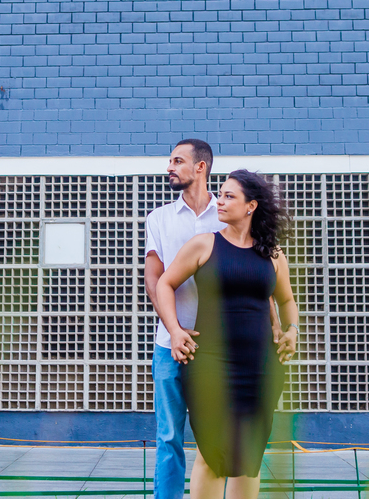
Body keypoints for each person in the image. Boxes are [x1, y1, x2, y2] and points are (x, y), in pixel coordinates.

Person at [155, 169, 298, 499]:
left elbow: (287, 301)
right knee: (212, 456)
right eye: (220, 194)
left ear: (251, 206)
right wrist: (175, 331)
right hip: (210, 366)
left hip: (261, 367)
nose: (219, 200)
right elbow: (165, 283)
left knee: (249, 459)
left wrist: (293, 331)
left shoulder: (272, 256)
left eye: (229, 196)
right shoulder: (204, 244)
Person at [144, 139, 226, 499]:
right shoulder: (159, 218)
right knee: (169, 437)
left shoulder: (228, 214)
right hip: (169, 346)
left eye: (177, 161)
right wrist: (174, 330)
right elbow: (153, 279)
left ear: (200, 167)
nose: (169, 167)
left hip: (219, 348)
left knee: (223, 437)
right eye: (170, 161)